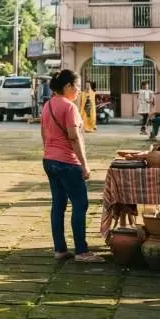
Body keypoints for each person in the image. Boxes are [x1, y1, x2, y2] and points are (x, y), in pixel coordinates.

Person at [40, 69, 102, 263]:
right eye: (77, 86)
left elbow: (44, 133)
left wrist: (49, 152)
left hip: (49, 160)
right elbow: (74, 137)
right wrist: (84, 165)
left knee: (58, 204)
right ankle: (81, 251)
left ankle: (60, 249)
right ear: (67, 86)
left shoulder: (48, 105)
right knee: (80, 204)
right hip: (67, 162)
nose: (79, 90)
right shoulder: (69, 107)